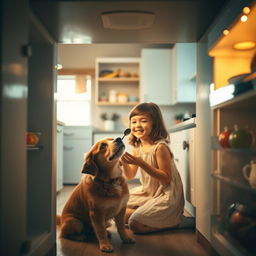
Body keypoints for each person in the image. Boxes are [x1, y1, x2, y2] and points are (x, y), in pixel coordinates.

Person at [121, 102, 185, 234]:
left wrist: (142, 164)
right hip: (149, 192)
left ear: (154, 124)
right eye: (133, 122)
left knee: (134, 224)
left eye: (143, 121)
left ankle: (176, 221)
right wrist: (124, 163)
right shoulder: (137, 147)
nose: (137, 125)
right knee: (117, 208)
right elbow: (130, 176)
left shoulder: (160, 148)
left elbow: (166, 180)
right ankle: (147, 215)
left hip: (165, 194)